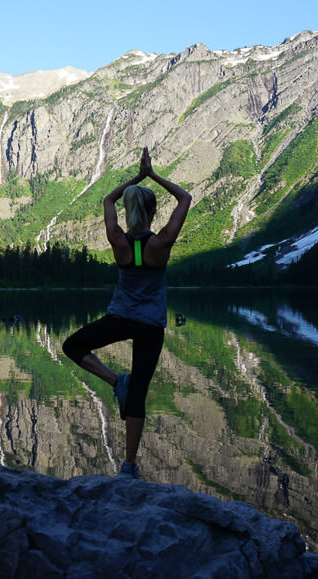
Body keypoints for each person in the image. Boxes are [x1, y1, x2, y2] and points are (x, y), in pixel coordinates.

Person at [62, 146, 191, 479]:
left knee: (72, 346)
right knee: (138, 394)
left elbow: (107, 201)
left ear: (129, 210)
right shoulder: (161, 243)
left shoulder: (117, 239)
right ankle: (128, 466)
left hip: (119, 318)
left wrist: (135, 178)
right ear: (151, 210)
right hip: (150, 326)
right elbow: (185, 199)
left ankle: (114, 380)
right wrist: (152, 175)